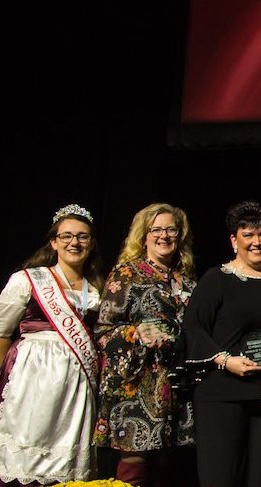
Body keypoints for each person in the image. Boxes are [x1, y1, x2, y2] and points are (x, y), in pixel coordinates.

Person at [182, 200, 261, 487]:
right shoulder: (217, 279)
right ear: (233, 240)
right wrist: (225, 360)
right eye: (248, 235)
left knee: (260, 480)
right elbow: (193, 327)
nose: (256, 242)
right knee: (220, 478)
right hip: (220, 395)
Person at [0, 203, 104, 485]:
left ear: (92, 243)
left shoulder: (97, 289)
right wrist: (16, 373)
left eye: (83, 236)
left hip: (75, 387)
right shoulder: (28, 279)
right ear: (54, 242)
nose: (75, 242)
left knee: (66, 460)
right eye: (67, 236)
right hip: (32, 381)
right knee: (26, 454)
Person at [93, 203, 198, 486]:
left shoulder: (186, 279)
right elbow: (103, 331)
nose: (164, 236)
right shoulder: (127, 274)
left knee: (168, 463)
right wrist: (136, 333)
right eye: (157, 229)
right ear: (144, 235)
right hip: (136, 383)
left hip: (177, 383)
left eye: (171, 230)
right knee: (136, 461)